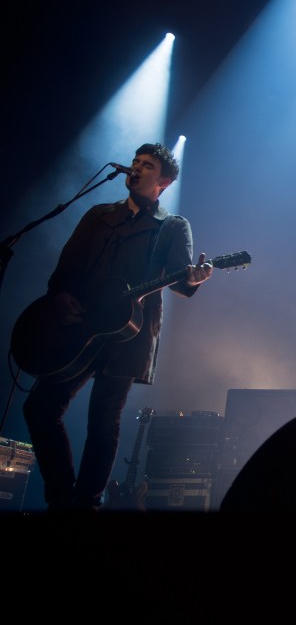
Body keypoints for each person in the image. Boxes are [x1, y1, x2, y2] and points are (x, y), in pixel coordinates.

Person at [20, 142, 213, 512]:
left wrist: (194, 279)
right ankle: (60, 496)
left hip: (129, 333)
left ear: (164, 182)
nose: (136, 168)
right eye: (135, 162)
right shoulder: (99, 215)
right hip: (79, 327)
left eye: (147, 165)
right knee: (39, 408)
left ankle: (86, 504)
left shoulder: (173, 226)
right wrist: (60, 296)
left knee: (104, 420)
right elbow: (66, 267)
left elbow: (181, 279)